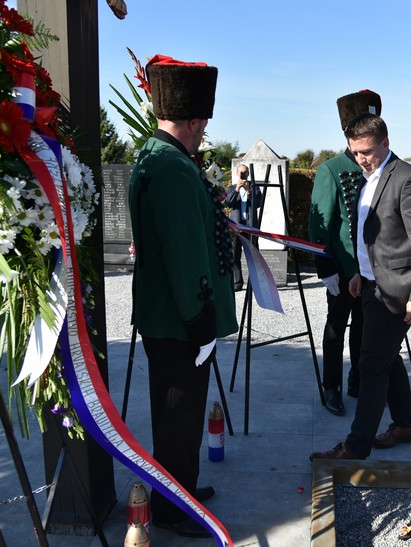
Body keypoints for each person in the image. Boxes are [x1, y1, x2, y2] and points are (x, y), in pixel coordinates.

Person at [128, 55, 237, 537]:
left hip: (169, 317)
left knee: (184, 414)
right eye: (202, 125)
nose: (203, 134)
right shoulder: (172, 166)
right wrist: (200, 320)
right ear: (193, 120)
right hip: (178, 319)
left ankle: (182, 487)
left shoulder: (161, 155)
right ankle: (172, 507)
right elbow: (184, 251)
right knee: (178, 415)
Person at [310, 114, 411, 461]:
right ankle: (406, 424)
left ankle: (355, 447)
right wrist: (357, 273)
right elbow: (369, 236)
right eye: (355, 152)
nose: (361, 158)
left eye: (367, 151)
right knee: (385, 359)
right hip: (369, 284)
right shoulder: (368, 179)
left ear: (385, 142)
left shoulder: (406, 179)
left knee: (370, 366)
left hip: (395, 291)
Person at [308, 90, 381, 416]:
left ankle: (356, 378)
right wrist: (326, 269)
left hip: (373, 270)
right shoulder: (331, 169)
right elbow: (319, 223)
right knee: (336, 329)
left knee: (365, 329)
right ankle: (331, 387)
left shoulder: (382, 168)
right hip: (343, 267)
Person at [225, 162, 262, 291]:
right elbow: (228, 203)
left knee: (254, 256)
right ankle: (237, 282)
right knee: (235, 255)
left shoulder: (254, 188)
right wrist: (237, 190)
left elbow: (258, 203)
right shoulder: (231, 188)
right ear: (236, 174)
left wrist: (249, 191)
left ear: (248, 174)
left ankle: (254, 283)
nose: (243, 174)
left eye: (245, 172)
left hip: (250, 226)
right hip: (236, 227)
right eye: (241, 172)